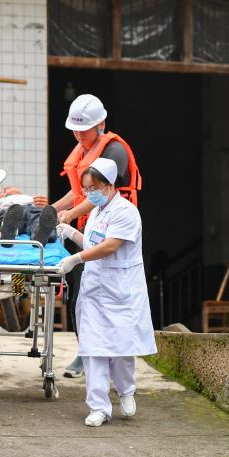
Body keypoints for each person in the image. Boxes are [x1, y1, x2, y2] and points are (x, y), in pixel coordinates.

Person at [34, 94, 142, 379]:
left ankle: (114, 363)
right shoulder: (82, 152)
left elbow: (100, 194)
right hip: (89, 229)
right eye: (75, 130)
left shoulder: (114, 151)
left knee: (111, 299)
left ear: (100, 124)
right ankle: (86, 352)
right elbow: (79, 193)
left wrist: (69, 215)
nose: (79, 135)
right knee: (81, 294)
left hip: (114, 230)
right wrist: (53, 209)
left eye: (84, 130)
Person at [55, 158, 155, 427]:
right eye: (86, 189)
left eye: (93, 188)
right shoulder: (97, 212)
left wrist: (75, 259)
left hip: (120, 289)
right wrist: (71, 232)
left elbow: (110, 246)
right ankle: (98, 407)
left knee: (121, 349)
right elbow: (92, 243)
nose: (89, 194)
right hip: (94, 290)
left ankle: (126, 390)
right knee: (92, 350)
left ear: (109, 185)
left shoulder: (126, 212)